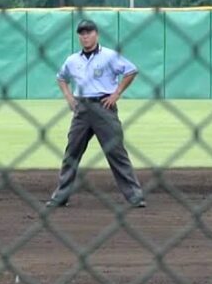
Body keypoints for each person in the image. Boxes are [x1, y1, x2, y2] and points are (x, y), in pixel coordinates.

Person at [46, 19, 145, 209]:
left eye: (89, 33)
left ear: (96, 34)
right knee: (72, 153)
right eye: (82, 33)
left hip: (103, 107)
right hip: (82, 109)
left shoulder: (109, 56)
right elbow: (61, 78)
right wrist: (69, 97)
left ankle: (135, 196)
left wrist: (116, 93)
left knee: (116, 152)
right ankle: (60, 197)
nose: (85, 36)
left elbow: (131, 70)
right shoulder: (72, 60)